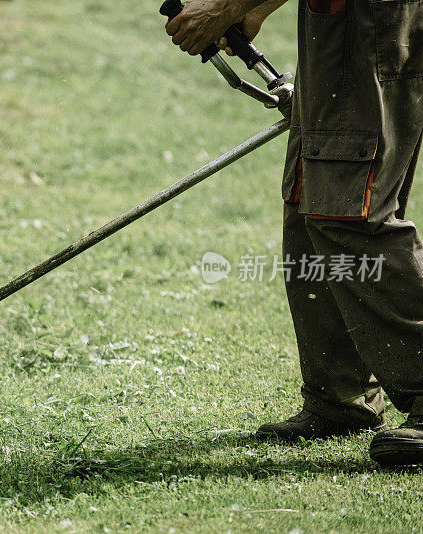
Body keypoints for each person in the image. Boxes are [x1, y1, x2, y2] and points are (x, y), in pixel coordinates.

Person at [166, 0, 423, 466]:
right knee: (310, 203)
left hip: (368, 22)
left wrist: (225, 7)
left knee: (349, 212)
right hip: (334, 20)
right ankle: (340, 397)